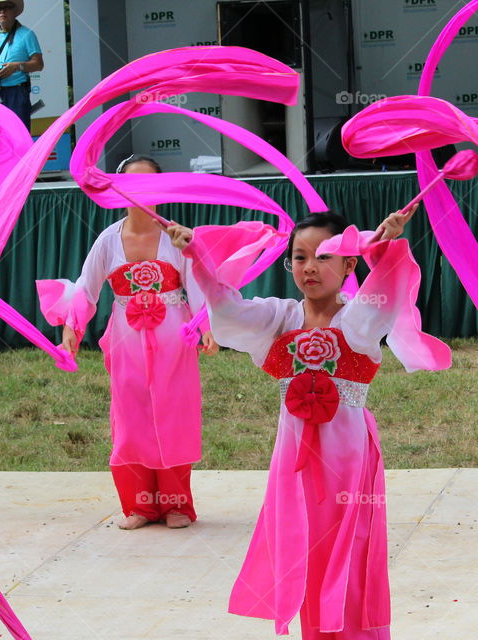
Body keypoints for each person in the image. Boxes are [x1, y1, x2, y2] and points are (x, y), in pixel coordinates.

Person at [168, 205, 449, 639]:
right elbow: (226, 310)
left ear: (348, 264)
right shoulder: (278, 318)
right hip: (293, 463)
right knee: (303, 553)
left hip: (349, 463)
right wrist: (198, 259)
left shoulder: (356, 319)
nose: (310, 267)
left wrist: (385, 247)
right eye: (300, 257)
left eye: (323, 256)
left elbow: (386, 295)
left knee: (350, 555)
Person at [37, 155, 217, 530]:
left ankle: (175, 504)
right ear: (118, 189)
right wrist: (73, 326)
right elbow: (87, 288)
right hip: (126, 341)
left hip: (173, 341)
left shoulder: (177, 238)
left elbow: (199, 285)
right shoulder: (108, 240)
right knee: (131, 415)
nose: (140, 193)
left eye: (148, 183)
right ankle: (140, 506)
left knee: (172, 415)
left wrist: (206, 327)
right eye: (132, 185)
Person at [0, 0, 43, 133]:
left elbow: (38, 64)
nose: (2, 11)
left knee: (18, 139)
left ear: (15, 11)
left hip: (16, 92)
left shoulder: (27, 34)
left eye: (7, 7)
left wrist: (17, 67)